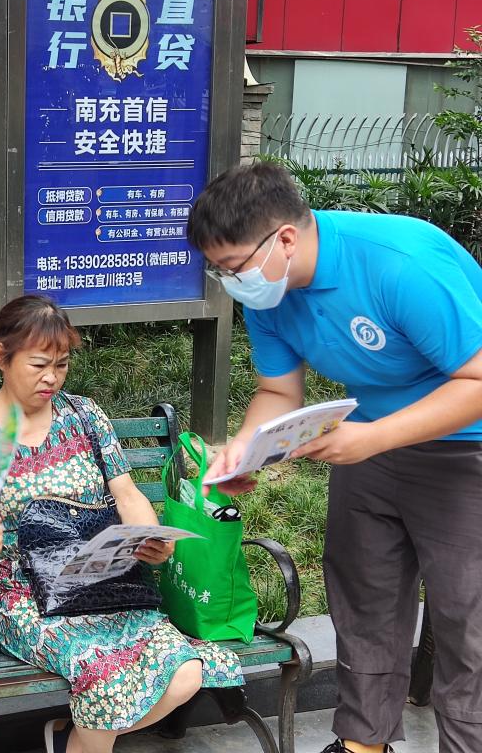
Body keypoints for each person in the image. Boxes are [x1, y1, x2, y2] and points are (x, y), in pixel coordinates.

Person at [188, 161, 482, 753]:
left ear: (284, 239)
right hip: (368, 445)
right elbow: (278, 391)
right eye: (219, 270)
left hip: (464, 449)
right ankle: (363, 742)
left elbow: (476, 379)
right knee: (364, 595)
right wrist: (246, 450)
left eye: (234, 267)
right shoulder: (271, 289)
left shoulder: (400, 264)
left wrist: (372, 438)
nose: (231, 282)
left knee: (467, 618)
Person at [0, 295, 243, 753]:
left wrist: (153, 538)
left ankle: (71, 741)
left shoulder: (84, 415)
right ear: (2, 357)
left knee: (186, 670)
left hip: (107, 587)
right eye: (39, 365)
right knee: (103, 674)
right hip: (31, 602)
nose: (52, 378)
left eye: (61, 365)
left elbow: (127, 494)